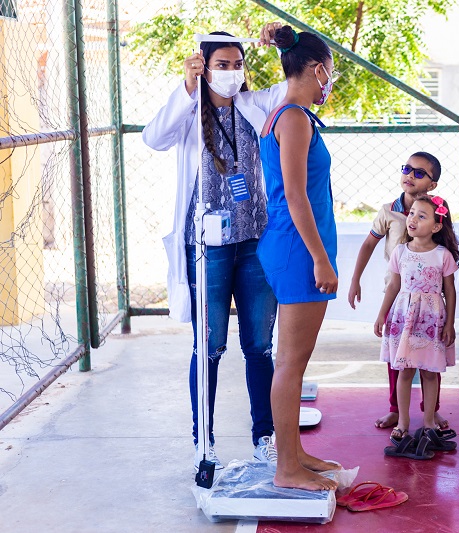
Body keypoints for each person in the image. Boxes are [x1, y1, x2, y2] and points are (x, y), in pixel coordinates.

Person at [141, 28, 287, 470]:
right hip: (207, 247)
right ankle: (203, 443)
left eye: (237, 64)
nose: (231, 73)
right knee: (209, 346)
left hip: (254, 241)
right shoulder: (189, 111)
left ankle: (265, 438)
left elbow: (302, 85)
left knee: (259, 346)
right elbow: (153, 137)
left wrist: (286, 44)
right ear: (204, 69)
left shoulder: (255, 104)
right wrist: (187, 88)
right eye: (222, 65)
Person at [256, 24, 340, 491]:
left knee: (294, 361)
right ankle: (286, 468)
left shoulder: (290, 114)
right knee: (290, 362)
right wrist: (320, 259)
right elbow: (294, 195)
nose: (331, 80)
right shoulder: (292, 117)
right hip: (297, 250)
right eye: (330, 70)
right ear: (316, 68)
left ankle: (295, 453)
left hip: (296, 247)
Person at [348, 152, 450, 432]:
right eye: (407, 169)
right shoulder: (388, 211)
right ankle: (396, 410)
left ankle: (431, 411)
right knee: (398, 357)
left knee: (431, 358)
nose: (410, 175)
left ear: (432, 184)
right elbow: (368, 245)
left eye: (419, 173)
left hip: (428, 301)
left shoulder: (436, 210)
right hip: (399, 297)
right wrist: (355, 279)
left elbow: (445, 251)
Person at [375, 196, 459, 450]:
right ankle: (403, 422)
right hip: (405, 318)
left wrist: (450, 323)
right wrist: (382, 314)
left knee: (429, 372)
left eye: (421, 216)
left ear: (436, 226)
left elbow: (450, 291)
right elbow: (394, 286)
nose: (412, 219)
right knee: (404, 371)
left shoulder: (443, 255)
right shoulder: (400, 252)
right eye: (412, 213)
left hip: (431, 320)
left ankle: (429, 422)